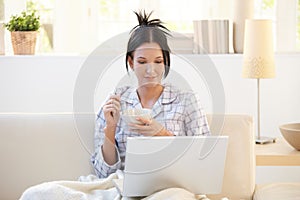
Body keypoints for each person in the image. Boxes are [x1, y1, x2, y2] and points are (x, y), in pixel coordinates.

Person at [91, 10, 210, 178]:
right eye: (142, 62)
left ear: (166, 62)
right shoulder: (116, 101)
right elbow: (103, 173)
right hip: (123, 188)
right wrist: (110, 128)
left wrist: (162, 134)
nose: (151, 70)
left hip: (171, 187)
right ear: (131, 62)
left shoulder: (186, 101)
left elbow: (204, 160)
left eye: (158, 61)